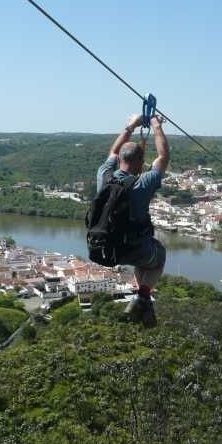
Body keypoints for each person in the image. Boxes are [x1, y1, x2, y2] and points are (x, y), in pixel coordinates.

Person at [96, 113, 169, 326]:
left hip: (103, 249)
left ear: (120, 159)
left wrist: (131, 126)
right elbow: (163, 157)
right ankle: (143, 297)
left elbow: (112, 151)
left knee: (143, 257)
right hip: (134, 249)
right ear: (139, 162)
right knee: (158, 255)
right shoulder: (143, 183)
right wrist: (156, 125)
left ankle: (141, 300)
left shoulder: (104, 175)